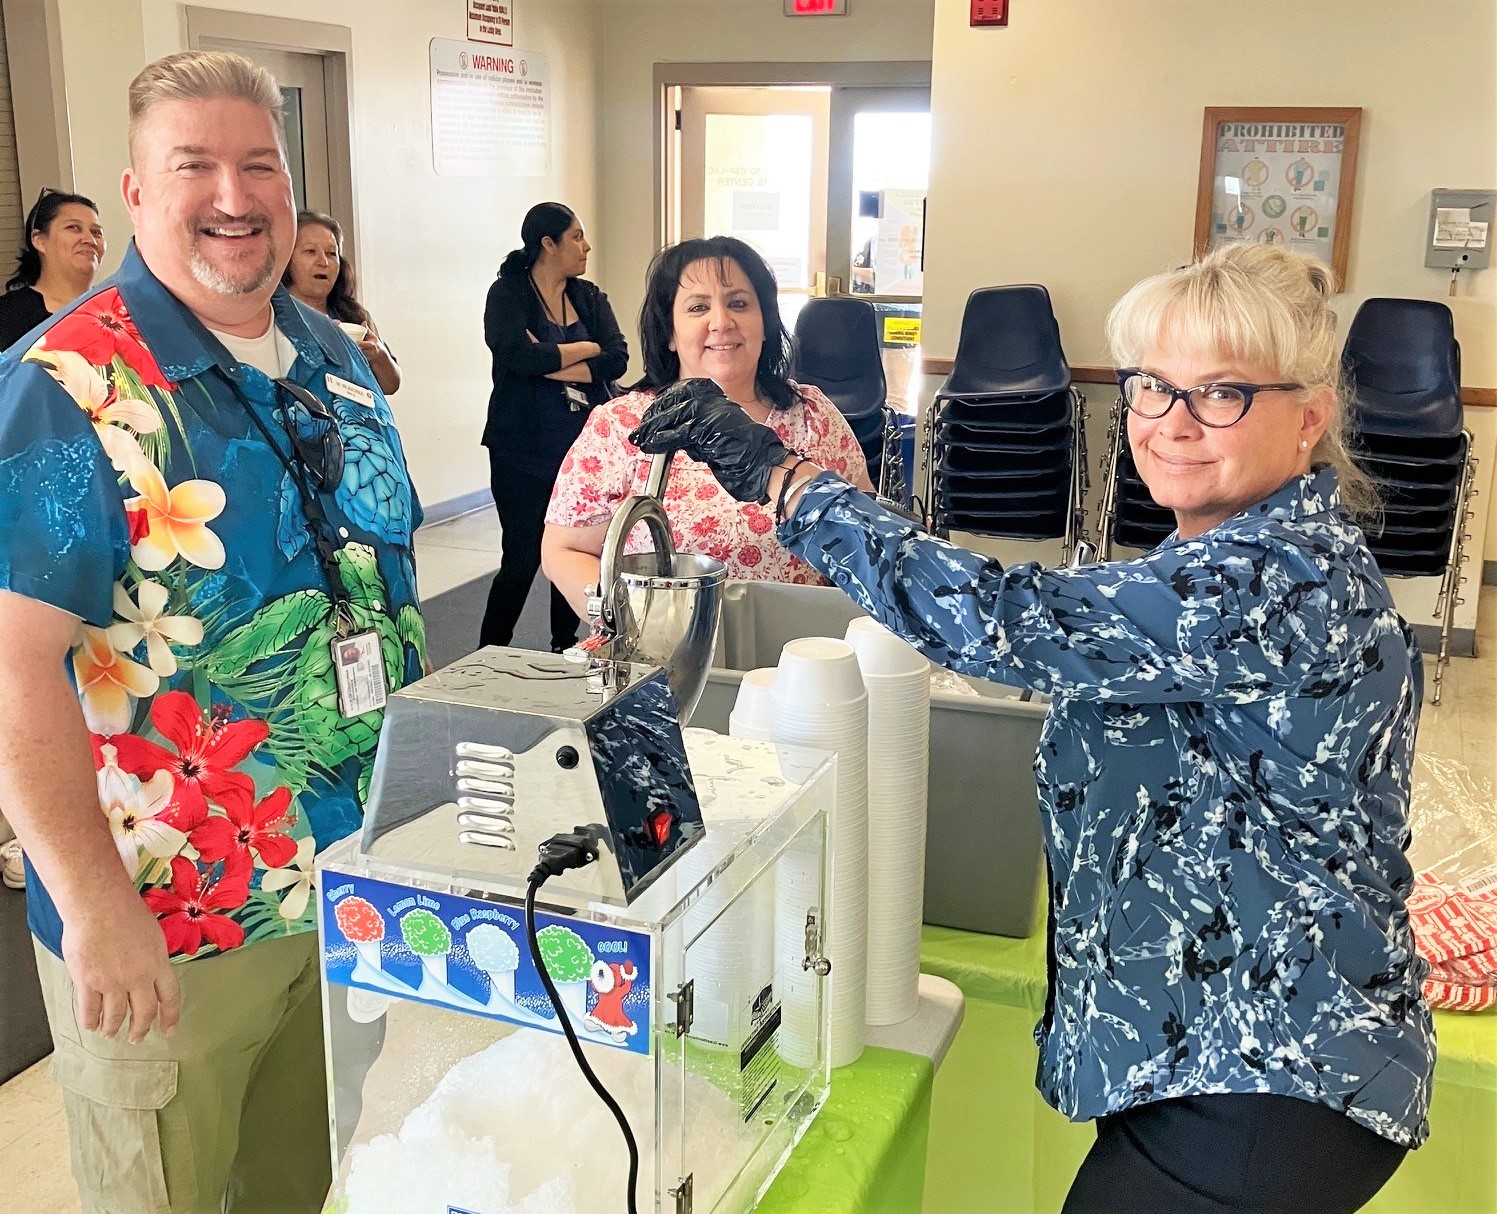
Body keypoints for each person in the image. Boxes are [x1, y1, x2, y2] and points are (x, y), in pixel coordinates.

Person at [629, 243, 1433, 1214]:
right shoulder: (1235, 551)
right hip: (1221, 1049)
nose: (1172, 423)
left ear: (1309, 417)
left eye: (1221, 392)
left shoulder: (1274, 581)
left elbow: (1006, 618)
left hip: (1269, 1069)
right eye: (1151, 386)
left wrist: (786, 481)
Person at [0, 50, 425, 1213]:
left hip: (335, 883)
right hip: (166, 915)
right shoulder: (64, 383)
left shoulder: (332, 357)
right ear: (136, 193)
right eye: (195, 166)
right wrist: (95, 909)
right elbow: (10, 664)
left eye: (259, 165)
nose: (234, 197)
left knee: (302, 1183)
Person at [541, 235, 872, 619]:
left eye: (738, 303)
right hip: (668, 656)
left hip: (805, 657)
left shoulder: (814, 415)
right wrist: (627, 621)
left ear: (765, 322)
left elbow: (863, 539)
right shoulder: (621, 426)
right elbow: (563, 550)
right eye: (698, 307)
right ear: (670, 334)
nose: (721, 322)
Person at [480, 201, 627, 653]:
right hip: (521, 447)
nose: (586, 246)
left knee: (572, 553)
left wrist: (554, 364)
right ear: (548, 243)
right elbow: (516, 357)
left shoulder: (589, 297)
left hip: (579, 449)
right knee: (522, 559)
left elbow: (617, 358)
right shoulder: (508, 295)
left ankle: (564, 646)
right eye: (577, 236)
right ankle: (490, 651)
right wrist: (586, 348)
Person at [282, 209, 400, 395]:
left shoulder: (352, 315)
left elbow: (391, 385)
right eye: (310, 251)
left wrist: (377, 354)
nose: (323, 262)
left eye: (331, 253)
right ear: (286, 258)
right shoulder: (271, 315)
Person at [0, 188, 106, 350]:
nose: (89, 239)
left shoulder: (120, 310)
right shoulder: (7, 314)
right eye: (73, 228)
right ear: (39, 240)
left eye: (96, 232)